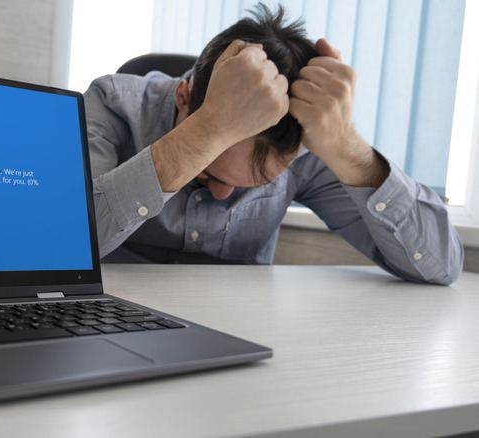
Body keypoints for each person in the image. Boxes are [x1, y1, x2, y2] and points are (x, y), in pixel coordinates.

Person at [83, 3, 463, 285]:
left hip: (241, 334)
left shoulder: (305, 143)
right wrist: (208, 130)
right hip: (112, 316)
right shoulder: (112, 103)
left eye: (255, 183)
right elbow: (58, 249)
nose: (221, 194)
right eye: (208, 169)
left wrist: (347, 147)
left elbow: (441, 265)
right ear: (184, 97)